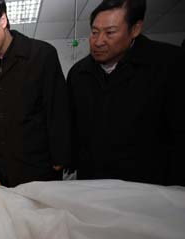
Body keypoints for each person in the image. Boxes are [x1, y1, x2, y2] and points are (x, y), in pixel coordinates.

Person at [67, 0, 185, 186]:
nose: (98, 41)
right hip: (92, 185)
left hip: (148, 188)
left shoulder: (170, 65)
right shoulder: (79, 74)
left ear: (135, 29)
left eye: (110, 32)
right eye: (94, 32)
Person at [0, 0, 71, 187]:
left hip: (40, 171)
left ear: (3, 20)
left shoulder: (42, 55)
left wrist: (60, 158)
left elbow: (58, 110)